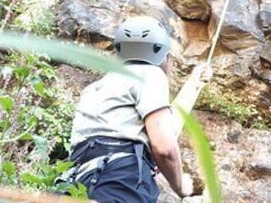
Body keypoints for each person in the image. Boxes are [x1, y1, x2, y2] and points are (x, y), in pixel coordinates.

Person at [62, 16, 201, 202]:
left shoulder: (96, 89)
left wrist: (194, 84)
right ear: (163, 55)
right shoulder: (151, 74)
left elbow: (167, 126)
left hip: (78, 182)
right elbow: (164, 147)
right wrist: (180, 186)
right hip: (120, 180)